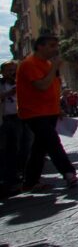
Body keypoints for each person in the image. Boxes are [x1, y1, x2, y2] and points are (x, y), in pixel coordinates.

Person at [16, 35, 78, 191]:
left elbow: (53, 88)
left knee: (40, 147)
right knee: (52, 141)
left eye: (56, 45)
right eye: (51, 45)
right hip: (34, 112)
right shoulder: (29, 64)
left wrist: (58, 108)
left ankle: (30, 181)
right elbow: (42, 86)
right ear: (40, 47)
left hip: (49, 111)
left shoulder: (48, 64)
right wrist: (54, 68)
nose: (55, 49)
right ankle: (68, 172)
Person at [1, 61, 31, 194]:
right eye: (9, 70)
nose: (12, 72)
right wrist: (9, 93)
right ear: (2, 72)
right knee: (13, 149)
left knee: (27, 146)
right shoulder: (1, 84)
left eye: (14, 69)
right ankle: (13, 178)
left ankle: (25, 173)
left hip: (26, 116)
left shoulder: (23, 82)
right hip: (9, 119)